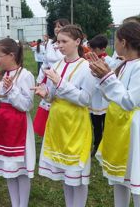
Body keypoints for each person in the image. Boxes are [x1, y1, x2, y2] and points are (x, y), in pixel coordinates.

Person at [33, 25, 95, 207]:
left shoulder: (87, 67)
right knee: (65, 174)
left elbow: (85, 99)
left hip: (76, 124)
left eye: (64, 41)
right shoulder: (57, 64)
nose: (59, 46)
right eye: (57, 41)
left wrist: (60, 83)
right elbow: (53, 95)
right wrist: (45, 94)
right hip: (57, 123)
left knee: (77, 175)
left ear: (78, 41)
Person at [88, 22, 140, 207]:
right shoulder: (124, 64)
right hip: (119, 127)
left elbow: (128, 101)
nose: (114, 44)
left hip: (134, 130)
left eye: (116, 40)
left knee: (136, 178)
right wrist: (101, 76)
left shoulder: (139, 66)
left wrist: (107, 78)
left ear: (124, 42)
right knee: (120, 178)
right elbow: (111, 95)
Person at [0, 38, 35, 207]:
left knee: (20, 171)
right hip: (3, 127)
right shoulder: (0, 75)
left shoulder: (25, 75)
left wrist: (12, 90)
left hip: (19, 126)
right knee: (9, 170)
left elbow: (26, 105)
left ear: (11, 55)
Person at [33, 18, 70, 137]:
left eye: (60, 26)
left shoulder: (68, 45)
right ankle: (49, 133)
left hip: (62, 77)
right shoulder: (49, 43)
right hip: (49, 78)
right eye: (56, 26)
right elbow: (45, 62)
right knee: (48, 103)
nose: (57, 28)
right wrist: (39, 80)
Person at [86, 35, 112, 157]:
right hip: (94, 98)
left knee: (106, 124)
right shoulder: (89, 60)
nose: (92, 52)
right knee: (96, 124)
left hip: (105, 99)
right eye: (91, 49)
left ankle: (106, 146)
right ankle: (96, 145)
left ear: (103, 49)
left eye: (94, 50)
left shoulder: (110, 61)